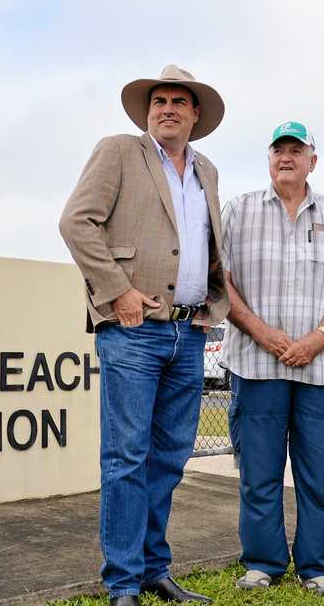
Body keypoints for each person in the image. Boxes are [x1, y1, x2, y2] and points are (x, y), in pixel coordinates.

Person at [59, 64, 231, 606]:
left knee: (170, 458)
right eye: (159, 101)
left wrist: (212, 304)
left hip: (189, 333)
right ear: (147, 110)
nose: (167, 109)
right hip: (133, 330)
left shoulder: (207, 170)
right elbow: (76, 222)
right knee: (127, 458)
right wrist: (118, 291)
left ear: (196, 114)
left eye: (180, 101)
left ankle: (155, 569)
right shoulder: (118, 151)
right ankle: (124, 582)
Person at [221, 121, 324, 597]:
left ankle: (317, 566)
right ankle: (262, 562)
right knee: (259, 474)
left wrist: (320, 337)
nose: (287, 157)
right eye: (279, 150)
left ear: (312, 160)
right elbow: (219, 279)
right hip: (255, 364)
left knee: (318, 475)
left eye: (296, 150)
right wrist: (262, 332)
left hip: (320, 370)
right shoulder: (238, 210)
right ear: (268, 158)